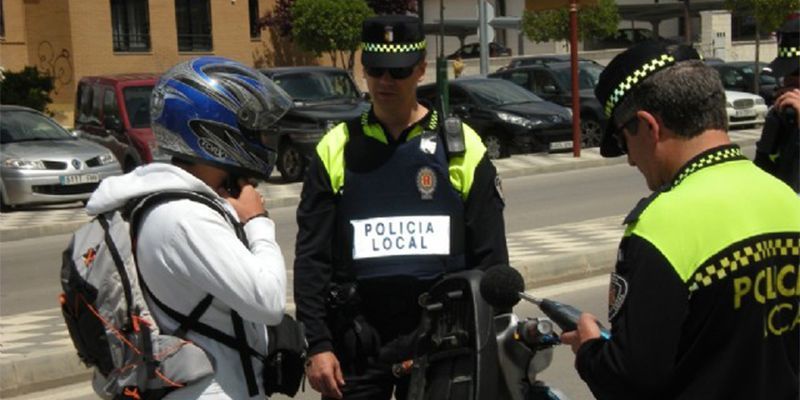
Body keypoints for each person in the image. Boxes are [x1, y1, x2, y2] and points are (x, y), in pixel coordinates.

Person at [560, 41, 800, 399]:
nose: (630, 161)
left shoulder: (661, 226)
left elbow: (632, 380)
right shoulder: (786, 199)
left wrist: (590, 351)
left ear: (647, 126)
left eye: (625, 142)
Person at [294, 14, 509, 400]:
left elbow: (491, 258)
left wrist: (492, 339)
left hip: (443, 339)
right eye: (375, 70)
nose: (384, 82)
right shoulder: (336, 148)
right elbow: (312, 260)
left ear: (421, 70)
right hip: (358, 342)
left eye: (398, 72)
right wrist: (318, 344)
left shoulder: (461, 147)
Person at [85, 56, 292, 399]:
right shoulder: (184, 218)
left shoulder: (167, 201)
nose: (264, 139)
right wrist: (257, 223)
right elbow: (268, 301)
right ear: (214, 131)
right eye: (253, 128)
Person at [754, 18, 800, 193]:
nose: (789, 82)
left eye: (796, 74)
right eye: (786, 75)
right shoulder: (785, 117)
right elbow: (762, 174)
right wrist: (775, 125)